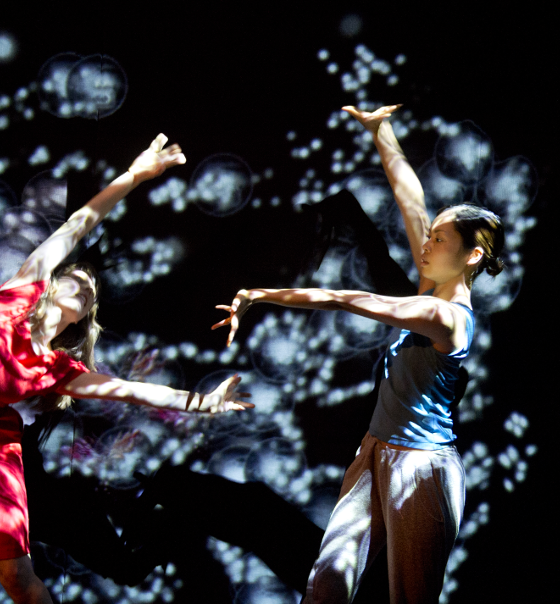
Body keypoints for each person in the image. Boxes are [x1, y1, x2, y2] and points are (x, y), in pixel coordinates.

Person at [0, 134, 253, 604]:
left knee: (18, 581)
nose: (82, 285)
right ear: (53, 286)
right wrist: (135, 175)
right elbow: (79, 224)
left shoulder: (53, 367)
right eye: (75, 279)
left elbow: (131, 392)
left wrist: (203, 402)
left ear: (83, 318)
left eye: (90, 293)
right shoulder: (18, 292)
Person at [213, 106, 504, 604]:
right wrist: (381, 131)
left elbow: (349, 299)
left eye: (438, 238)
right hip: (372, 452)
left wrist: (259, 294)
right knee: (326, 586)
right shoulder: (432, 281)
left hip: (422, 467)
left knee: (410, 595)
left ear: (471, 255)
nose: (425, 242)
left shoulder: (448, 316)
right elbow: (410, 199)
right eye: (429, 235)